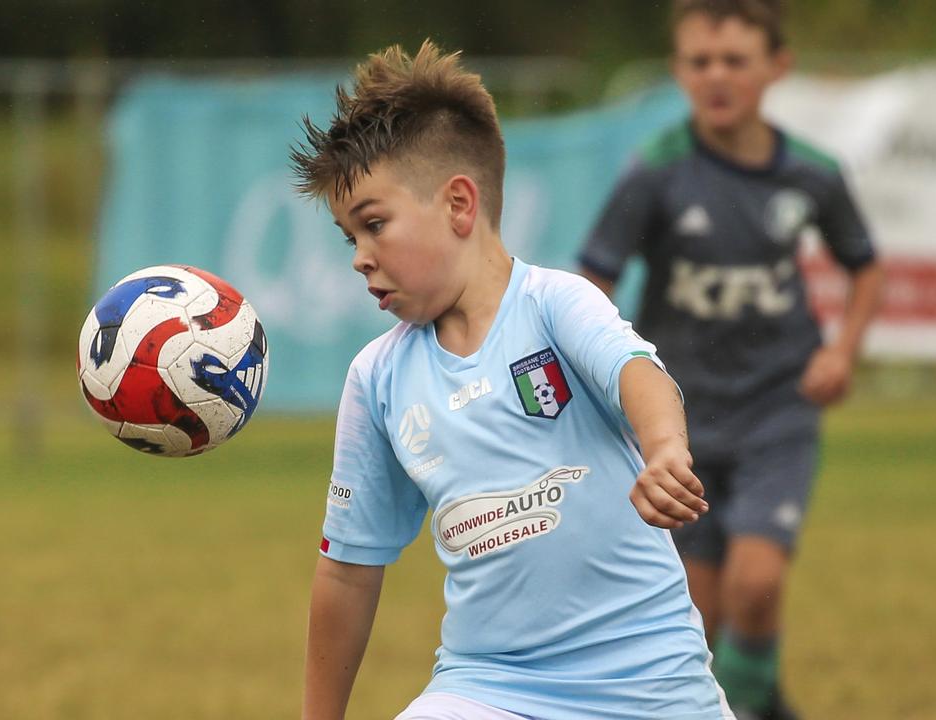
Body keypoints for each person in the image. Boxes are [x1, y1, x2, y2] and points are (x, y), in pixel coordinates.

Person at [290, 40, 735, 720]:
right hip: (490, 687)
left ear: (460, 205)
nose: (359, 258)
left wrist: (666, 449)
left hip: (650, 684)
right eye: (350, 238)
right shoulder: (376, 378)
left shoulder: (555, 303)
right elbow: (349, 570)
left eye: (374, 225)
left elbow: (639, 374)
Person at [579, 2, 886, 719]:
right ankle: (762, 704)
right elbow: (591, 283)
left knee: (757, 584)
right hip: (676, 422)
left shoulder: (813, 174)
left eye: (735, 60)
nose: (716, 76)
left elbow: (865, 268)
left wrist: (842, 351)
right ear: (680, 71)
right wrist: (603, 376)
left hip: (777, 408)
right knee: (699, 617)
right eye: (699, 61)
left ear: (778, 67)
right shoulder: (654, 173)